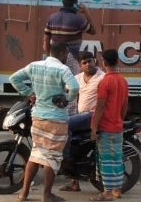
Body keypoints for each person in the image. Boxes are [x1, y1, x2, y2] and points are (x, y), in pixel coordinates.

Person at [10, 42, 80, 202]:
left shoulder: (34, 66)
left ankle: (24, 194)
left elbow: (14, 78)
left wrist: (29, 93)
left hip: (38, 117)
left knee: (35, 154)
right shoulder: (62, 69)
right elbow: (75, 87)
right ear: (62, 53)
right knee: (52, 156)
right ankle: (47, 195)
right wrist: (67, 99)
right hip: (56, 119)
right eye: (66, 55)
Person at [44, 0, 96, 116]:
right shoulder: (78, 19)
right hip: (71, 57)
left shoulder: (52, 18)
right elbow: (93, 31)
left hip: (54, 57)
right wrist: (86, 12)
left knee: (55, 87)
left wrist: (49, 57)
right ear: (74, 4)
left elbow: (45, 41)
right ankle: (70, 117)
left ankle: (54, 114)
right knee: (71, 87)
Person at [60, 51, 105, 193]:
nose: (87, 64)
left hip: (92, 116)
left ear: (95, 61)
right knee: (75, 144)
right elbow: (63, 89)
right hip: (81, 115)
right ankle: (74, 183)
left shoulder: (102, 78)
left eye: (90, 61)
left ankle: (64, 158)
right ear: (80, 65)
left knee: (65, 123)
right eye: (84, 63)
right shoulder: (78, 78)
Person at [89, 49, 129, 201]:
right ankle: (117, 190)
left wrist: (94, 127)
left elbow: (100, 106)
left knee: (105, 160)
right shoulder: (123, 81)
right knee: (117, 158)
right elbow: (125, 105)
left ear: (104, 62)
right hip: (118, 127)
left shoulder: (105, 82)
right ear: (117, 61)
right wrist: (119, 119)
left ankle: (106, 193)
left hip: (106, 127)